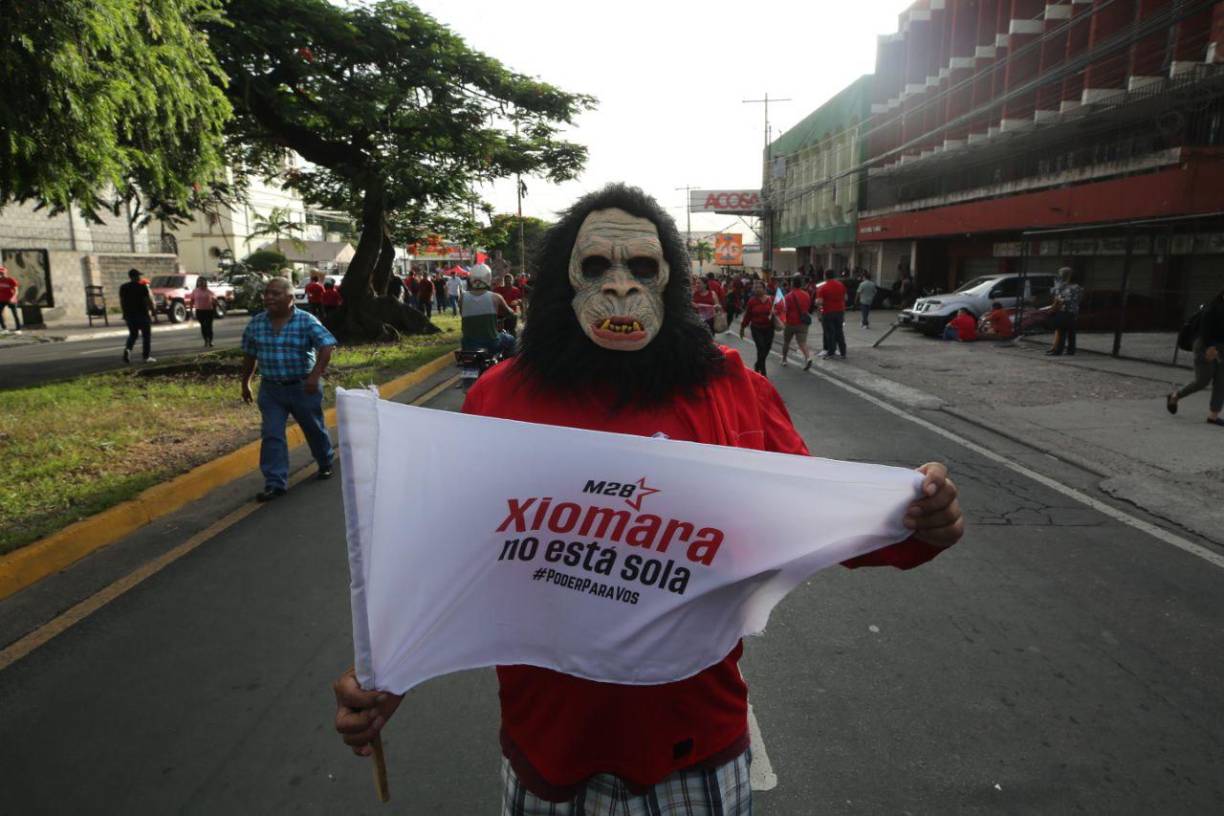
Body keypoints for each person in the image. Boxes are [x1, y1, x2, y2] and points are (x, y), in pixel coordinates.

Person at [332, 183, 964, 814]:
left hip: (694, 749)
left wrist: (916, 517)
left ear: (668, 283)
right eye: (596, 268)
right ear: (563, 282)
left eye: (641, 268)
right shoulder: (499, 401)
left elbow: (809, 513)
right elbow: (452, 554)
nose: (620, 287)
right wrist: (392, 670)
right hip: (547, 751)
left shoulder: (730, 390)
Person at [240, 278, 337, 502]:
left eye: (275, 293)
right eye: (266, 293)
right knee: (272, 434)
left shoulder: (306, 320)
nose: (269, 297)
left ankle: (324, 462)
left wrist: (314, 376)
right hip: (271, 390)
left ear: (290, 298)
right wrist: (246, 382)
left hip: (303, 387)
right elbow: (249, 355)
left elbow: (326, 345)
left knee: (313, 428)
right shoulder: (257, 323)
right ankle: (275, 483)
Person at [1167, 288, 1224, 426]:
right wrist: (1210, 348)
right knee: (1202, 381)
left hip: (1222, 347)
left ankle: (1213, 416)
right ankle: (1175, 396)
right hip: (1205, 346)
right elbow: (1205, 330)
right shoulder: (1212, 308)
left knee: (1221, 382)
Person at [460, 263, 515, 356]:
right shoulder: (496, 297)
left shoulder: (462, 297)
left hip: (468, 344)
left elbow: (462, 313)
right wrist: (513, 312)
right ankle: (507, 368)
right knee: (511, 340)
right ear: (488, 278)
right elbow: (510, 312)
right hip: (492, 343)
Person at [739, 279, 776, 377]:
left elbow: (779, 311)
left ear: (764, 289)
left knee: (767, 349)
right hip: (756, 328)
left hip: (769, 328)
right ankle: (763, 373)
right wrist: (742, 327)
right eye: (756, 288)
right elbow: (748, 315)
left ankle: (758, 364)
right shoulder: (752, 301)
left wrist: (777, 313)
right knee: (761, 348)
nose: (758, 289)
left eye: (760, 287)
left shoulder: (771, 299)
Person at [119, 268, 156, 363]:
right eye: (138, 275)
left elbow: (122, 302)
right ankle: (146, 357)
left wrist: (124, 314)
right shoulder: (142, 287)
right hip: (142, 315)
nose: (140, 277)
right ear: (134, 277)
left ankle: (128, 350)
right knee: (146, 336)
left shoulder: (123, 287)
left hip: (129, 316)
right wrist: (153, 312)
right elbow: (147, 301)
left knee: (133, 334)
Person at [1047, 266, 1082, 356]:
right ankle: (1071, 350)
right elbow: (1079, 299)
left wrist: (1052, 309)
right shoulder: (1077, 287)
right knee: (1071, 332)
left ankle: (1058, 350)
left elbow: (1057, 298)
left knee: (1061, 331)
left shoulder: (1061, 287)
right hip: (1073, 311)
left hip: (1063, 311)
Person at [780, 275, 813, 369]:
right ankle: (808, 357)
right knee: (802, 343)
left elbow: (784, 309)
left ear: (792, 284)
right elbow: (808, 307)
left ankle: (784, 360)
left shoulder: (788, 296)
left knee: (786, 342)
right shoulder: (806, 294)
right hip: (803, 323)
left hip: (790, 322)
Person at [816, 269, 847, 359]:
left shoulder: (823, 287)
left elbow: (819, 302)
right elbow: (845, 298)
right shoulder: (841, 285)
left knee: (829, 333)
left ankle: (831, 352)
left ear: (825, 276)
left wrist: (819, 312)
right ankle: (843, 352)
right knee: (839, 332)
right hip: (839, 312)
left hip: (828, 312)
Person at [190, 277, 218, 348]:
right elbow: (191, 301)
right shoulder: (195, 291)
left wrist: (217, 304)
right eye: (200, 282)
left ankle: (210, 341)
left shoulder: (209, 291)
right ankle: (206, 340)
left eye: (203, 282)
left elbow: (215, 301)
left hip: (209, 311)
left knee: (209, 326)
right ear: (197, 283)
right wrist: (191, 311)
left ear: (205, 283)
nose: (201, 283)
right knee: (203, 326)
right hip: (199, 311)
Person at [0, 265, 21, 330]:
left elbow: (16, 291)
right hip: (1, 300)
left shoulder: (11, 280)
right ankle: (4, 328)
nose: (1, 274)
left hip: (10, 299)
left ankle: (18, 329)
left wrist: (13, 298)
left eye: (2, 273)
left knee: (15, 314)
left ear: (5, 273)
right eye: (0, 273)